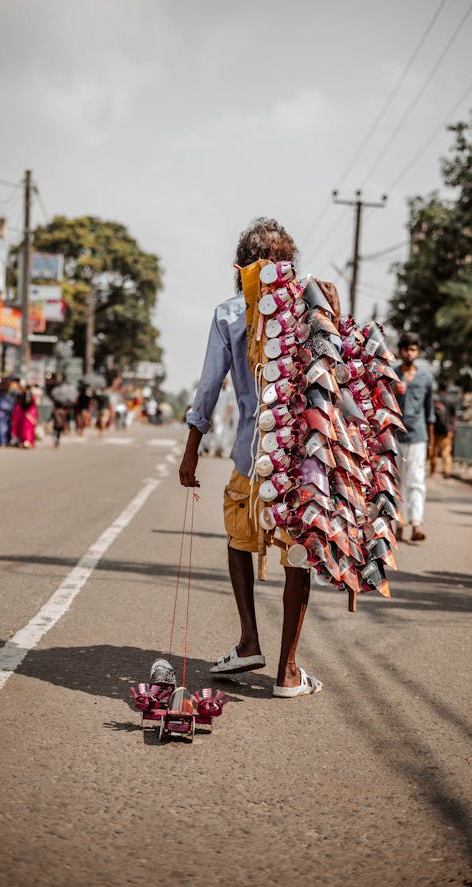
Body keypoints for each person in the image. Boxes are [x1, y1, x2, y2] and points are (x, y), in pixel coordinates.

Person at [179, 217, 340, 697]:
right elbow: (337, 374)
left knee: (239, 541)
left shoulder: (229, 313)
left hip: (251, 460)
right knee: (297, 558)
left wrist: (191, 452)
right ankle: (288, 672)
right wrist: (333, 310)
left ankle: (250, 639)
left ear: (239, 268)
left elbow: (209, 387)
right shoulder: (311, 310)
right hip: (299, 462)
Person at [394, 332, 435, 542]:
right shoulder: (392, 374)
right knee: (398, 482)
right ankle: (399, 523)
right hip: (396, 436)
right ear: (400, 350)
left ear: (417, 352)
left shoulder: (425, 377)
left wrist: (431, 444)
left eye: (413, 349)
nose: (409, 353)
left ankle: (416, 523)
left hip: (418, 437)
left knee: (416, 481)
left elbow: (430, 413)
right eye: (405, 348)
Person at [430, 378, 456, 479]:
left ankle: (433, 471)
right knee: (446, 451)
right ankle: (447, 471)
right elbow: (453, 416)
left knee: (434, 451)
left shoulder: (434, 398)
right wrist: (452, 428)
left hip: (435, 429)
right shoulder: (450, 399)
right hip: (447, 429)